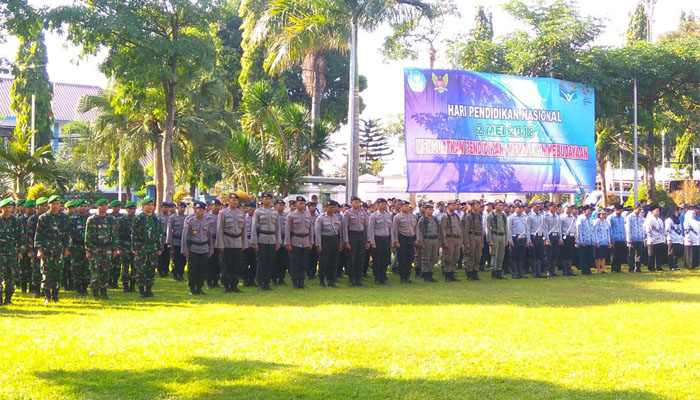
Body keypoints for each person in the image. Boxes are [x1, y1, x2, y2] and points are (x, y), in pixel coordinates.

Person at [34, 195, 71, 303]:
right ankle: (47, 297)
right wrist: (39, 250)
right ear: (49, 205)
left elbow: (67, 235)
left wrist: (67, 248)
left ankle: (55, 296)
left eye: (57, 204)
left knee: (58, 273)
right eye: (53, 203)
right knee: (46, 273)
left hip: (59, 250)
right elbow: (38, 236)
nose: (55, 206)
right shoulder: (43, 218)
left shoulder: (64, 218)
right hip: (46, 250)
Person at [85, 198, 119, 300]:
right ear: (98, 206)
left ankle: (104, 292)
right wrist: (88, 250)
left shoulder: (111, 219)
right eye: (102, 205)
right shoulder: (91, 219)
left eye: (106, 205)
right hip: (95, 248)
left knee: (106, 270)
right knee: (95, 271)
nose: (104, 207)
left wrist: (115, 249)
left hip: (107, 248)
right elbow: (87, 236)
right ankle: (95, 292)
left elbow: (115, 234)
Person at [132, 197, 163, 298]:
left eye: (152, 205)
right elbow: (134, 234)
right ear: (143, 206)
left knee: (151, 268)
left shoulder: (156, 219)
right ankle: (141, 290)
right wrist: (135, 248)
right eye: (148, 205)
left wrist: (159, 247)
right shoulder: (138, 218)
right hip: (141, 246)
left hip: (152, 246)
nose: (150, 207)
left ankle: (149, 290)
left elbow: (159, 234)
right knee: (140, 268)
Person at [250, 192, 281, 291]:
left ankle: (267, 282)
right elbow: (254, 227)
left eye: (269, 198)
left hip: (272, 239)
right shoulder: (258, 212)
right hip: (262, 239)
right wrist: (254, 242)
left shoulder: (275, 212)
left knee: (270, 262)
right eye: (265, 198)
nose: (267, 200)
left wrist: (278, 241)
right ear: (262, 200)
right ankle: (260, 282)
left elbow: (278, 228)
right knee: (261, 262)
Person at [182, 201, 212, 296]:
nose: (201, 212)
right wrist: (185, 250)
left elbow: (209, 237)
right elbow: (185, 236)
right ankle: (192, 288)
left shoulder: (207, 222)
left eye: (202, 210)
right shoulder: (190, 221)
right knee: (193, 270)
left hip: (204, 249)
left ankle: (199, 288)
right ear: (195, 210)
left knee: (202, 270)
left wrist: (210, 250)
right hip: (193, 249)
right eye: (199, 210)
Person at [284, 196, 313, 289]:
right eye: (300, 203)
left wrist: (311, 242)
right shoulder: (291, 215)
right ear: (296, 204)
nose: (302, 205)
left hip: (305, 241)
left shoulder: (308, 215)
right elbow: (287, 230)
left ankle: (301, 281)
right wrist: (287, 243)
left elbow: (311, 230)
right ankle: (295, 281)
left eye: (303, 203)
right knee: (295, 262)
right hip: (295, 241)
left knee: (304, 262)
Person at [0, 198, 23, 305]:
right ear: (1, 208)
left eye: (10, 207)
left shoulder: (16, 221)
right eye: (6, 208)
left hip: (12, 253)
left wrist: (19, 251)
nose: (8, 210)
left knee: (11, 277)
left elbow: (20, 238)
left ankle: (8, 299)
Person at [342, 196, 369, 287]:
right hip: (351, 235)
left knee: (360, 258)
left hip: (361, 236)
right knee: (351, 258)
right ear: (351, 203)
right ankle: (351, 279)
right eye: (355, 202)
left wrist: (367, 240)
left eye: (359, 202)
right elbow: (344, 227)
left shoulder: (363, 213)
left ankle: (358, 278)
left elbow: (366, 227)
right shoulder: (347, 213)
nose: (357, 204)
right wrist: (346, 241)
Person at [315, 200, 342, 287]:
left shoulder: (336, 217)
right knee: (324, 261)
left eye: (334, 207)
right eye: (330, 207)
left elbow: (339, 231)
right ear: (326, 208)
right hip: (325, 240)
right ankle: (321, 279)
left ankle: (331, 280)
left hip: (334, 239)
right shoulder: (321, 218)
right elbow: (317, 232)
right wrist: (318, 244)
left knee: (333, 260)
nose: (332, 209)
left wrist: (340, 243)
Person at [392, 200, 418, 284]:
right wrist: (396, 241)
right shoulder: (397, 217)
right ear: (401, 207)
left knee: (410, 258)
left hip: (411, 238)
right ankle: (403, 277)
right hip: (402, 238)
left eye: (408, 206)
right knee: (402, 258)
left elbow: (416, 229)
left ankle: (408, 276)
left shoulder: (413, 217)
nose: (407, 208)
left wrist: (417, 239)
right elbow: (394, 230)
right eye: (405, 206)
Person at [367, 198, 392, 285]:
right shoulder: (374, 216)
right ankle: (377, 278)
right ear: (377, 205)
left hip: (386, 239)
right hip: (378, 239)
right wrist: (372, 242)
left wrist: (391, 240)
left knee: (385, 259)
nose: (384, 205)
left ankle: (383, 276)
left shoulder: (388, 215)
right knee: (377, 259)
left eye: (385, 204)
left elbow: (390, 228)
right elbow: (370, 229)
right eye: (382, 204)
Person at [439, 200, 462, 282]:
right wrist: (444, 241)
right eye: (452, 205)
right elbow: (442, 230)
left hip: (457, 238)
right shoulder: (445, 216)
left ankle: (452, 273)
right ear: (448, 206)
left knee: (455, 257)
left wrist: (460, 240)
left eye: (455, 205)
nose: (454, 206)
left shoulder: (456, 216)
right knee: (448, 257)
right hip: (449, 238)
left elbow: (459, 228)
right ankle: (447, 274)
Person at [417, 203, 439, 282]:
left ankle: (430, 275)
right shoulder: (423, 220)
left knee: (433, 258)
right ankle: (425, 276)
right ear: (425, 210)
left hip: (435, 239)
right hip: (427, 240)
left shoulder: (435, 219)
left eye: (432, 209)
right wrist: (421, 243)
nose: (431, 211)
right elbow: (419, 232)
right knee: (426, 258)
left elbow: (438, 230)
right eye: (429, 209)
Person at [486, 200, 508, 279]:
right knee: (494, 254)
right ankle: (493, 272)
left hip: (502, 236)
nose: (501, 207)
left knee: (501, 254)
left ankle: (499, 271)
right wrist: (489, 240)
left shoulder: (503, 215)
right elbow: (488, 228)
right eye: (499, 205)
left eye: (502, 205)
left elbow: (506, 227)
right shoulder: (491, 215)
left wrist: (506, 239)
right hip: (494, 235)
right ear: (495, 206)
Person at [118, 201, 137, 292]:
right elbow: (117, 235)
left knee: (135, 266)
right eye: (130, 209)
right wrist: (119, 248)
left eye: (134, 209)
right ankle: (125, 286)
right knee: (125, 266)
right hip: (124, 246)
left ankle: (132, 286)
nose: (132, 211)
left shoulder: (137, 220)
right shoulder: (121, 220)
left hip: (135, 246)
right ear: (126, 209)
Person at [462, 200, 484, 281]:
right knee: (470, 255)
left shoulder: (479, 216)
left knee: (478, 255)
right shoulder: (468, 216)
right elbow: (466, 230)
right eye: (476, 205)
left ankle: (475, 272)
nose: (478, 206)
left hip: (478, 236)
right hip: (471, 236)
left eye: (479, 205)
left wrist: (482, 241)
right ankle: (469, 273)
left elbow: (481, 229)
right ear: (472, 206)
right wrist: (466, 241)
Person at [166, 202, 188, 282]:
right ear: (177, 208)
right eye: (181, 207)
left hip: (184, 242)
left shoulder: (187, 218)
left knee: (183, 260)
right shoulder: (172, 218)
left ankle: (181, 274)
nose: (182, 209)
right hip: (175, 241)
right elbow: (169, 230)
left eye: (183, 207)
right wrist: (169, 242)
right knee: (175, 259)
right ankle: (175, 275)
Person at [18, 199, 35, 293]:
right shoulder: (20, 219)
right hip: (23, 247)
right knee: (23, 268)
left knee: (33, 268)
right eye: (29, 207)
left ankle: (32, 288)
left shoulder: (37, 218)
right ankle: (23, 287)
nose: (31, 209)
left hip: (34, 247)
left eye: (33, 207)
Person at [644, 205, 666, 272]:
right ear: (652, 211)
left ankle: (658, 266)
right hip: (652, 240)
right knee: (651, 254)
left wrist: (663, 238)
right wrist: (649, 238)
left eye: (658, 211)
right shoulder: (649, 220)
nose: (658, 212)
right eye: (656, 211)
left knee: (659, 254)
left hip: (659, 239)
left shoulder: (659, 220)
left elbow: (663, 230)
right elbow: (648, 230)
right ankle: (651, 267)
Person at [273, 199, 289, 285]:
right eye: (279, 205)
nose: (281, 207)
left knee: (283, 261)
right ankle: (274, 278)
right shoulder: (272, 214)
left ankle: (281, 278)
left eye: (283, 205)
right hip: (274, 240)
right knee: (275, 260)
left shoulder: (286, 216)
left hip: (284, 240)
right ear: (275, 206)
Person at [607, 204, 627, 273]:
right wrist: (611, 239)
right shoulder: (611, 217)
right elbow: (609, 229)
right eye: (620, 210)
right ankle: (613, 268)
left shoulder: (622, 218)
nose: (621, 211)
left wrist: (624, 238)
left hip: (621, 238)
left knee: (620, 254)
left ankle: (618, 268)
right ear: (616, 210)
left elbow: (623, 228)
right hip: (614, 239)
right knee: (614, 254)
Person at [626, 204, 645, 273]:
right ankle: (631, 267)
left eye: (641, 209)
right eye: (639, 209)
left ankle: (638, 267)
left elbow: (643, 228)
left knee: (639, 253)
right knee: (631, 253)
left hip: (639, 237)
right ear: (635, 209)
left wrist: (643, 237)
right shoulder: (630, 217)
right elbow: (628, 228)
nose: (640, 211)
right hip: (632, 238)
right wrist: (628, 238)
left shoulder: (641, 218)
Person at [575, 205, 595, 275]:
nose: (590, 211)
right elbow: (579, 230)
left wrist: (593, 240)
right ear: (584, 211)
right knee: (584, 256)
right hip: (583, 241)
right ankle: (584, 270)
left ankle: (588, 269)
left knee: (589, 256)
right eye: (588, 210)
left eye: (590, 210)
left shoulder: (590, 218)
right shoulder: (580, 218)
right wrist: (580, 241)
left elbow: (592, 230)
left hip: (590, 240)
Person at [108, 200, 123, 289]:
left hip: (120, 244)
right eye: (115, 207)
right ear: (112, 207)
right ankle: (109, 281)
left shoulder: (122, 218)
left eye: (118, 207)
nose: (117, 208)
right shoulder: (108, 217)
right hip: (109, 244)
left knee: (117, 265)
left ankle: (115, 282)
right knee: (109, 265)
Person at [592, 209, 611, 274]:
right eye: (601, 214)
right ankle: (598, 269)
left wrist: (609, 241)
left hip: (605, 240)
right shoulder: (596, 222)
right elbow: (595, 232)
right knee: (598, 256)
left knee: (603, 256)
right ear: (599, 215)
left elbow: (608, 232)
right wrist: (596, 241)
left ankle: (603, 268)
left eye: (604, 214)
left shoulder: (606, 222)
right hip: (599, 241)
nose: (603, 215)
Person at [243, 201, 257, 287]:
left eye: (251, 207)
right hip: (245, 242)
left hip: (254, 243)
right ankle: (245, 280)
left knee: (254, 263)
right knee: (244, 263)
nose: (249, 209)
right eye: (248, 207)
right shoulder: (243, 218)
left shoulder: (257, 218)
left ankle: (252, 280)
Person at [665, 207, 683, 271]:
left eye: (677, 212)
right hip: (672, 239)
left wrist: (681, 238)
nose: (677, 213)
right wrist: (669, 238)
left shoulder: (678, 220)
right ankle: (671, 265)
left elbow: (680, 230)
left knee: (676, 253)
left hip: (678, 239)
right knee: (671, 253)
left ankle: (675, 265)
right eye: (675, 212)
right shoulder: (669, 220)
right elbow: (667, 230)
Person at [157, 202, 172, 278]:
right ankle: (160, 271)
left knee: (167, 256)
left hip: (167, 239)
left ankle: (166, 271)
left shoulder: (171, 217)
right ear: (161, 208)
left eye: (167, 207)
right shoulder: (158, 217)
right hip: (160, 239)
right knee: (160, 256)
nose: (165, 209)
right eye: (164, 207)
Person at [306, 201, 319, 280]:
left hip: (316, 237)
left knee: (314, 256)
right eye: (311, 206)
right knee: (308, 256)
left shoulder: (318, 216)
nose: (313, 208)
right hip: (307, 237)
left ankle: (313, 272)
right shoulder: (306, 216)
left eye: (314, 206)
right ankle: (308, 272)